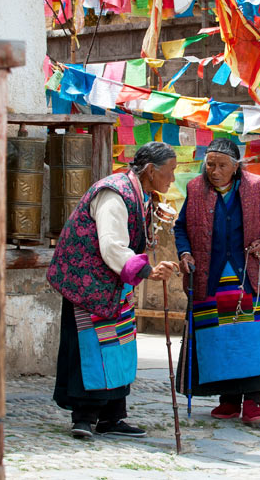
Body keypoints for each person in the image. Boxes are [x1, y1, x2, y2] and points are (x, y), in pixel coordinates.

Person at [47, 141, 179, 440]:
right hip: (87, 282)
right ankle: (83, 417)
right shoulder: (114, 193)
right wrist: (146, 270)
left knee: (118, 344)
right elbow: (111, 245)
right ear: (149, 170)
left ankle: (113, 416)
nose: (172, 179)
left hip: (112, 282)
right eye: (169, 172)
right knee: (91, 347)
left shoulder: (141, 193)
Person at [174, 138, 260, 424]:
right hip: (212, 276)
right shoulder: (195, 189)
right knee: (220, 338)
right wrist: (185, 253)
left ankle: (253, 403)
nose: (214, 170)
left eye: (222, 165)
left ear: (236, 167)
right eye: (210, 164)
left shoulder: (257, 188)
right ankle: (228, 400)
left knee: (252, 338)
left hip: (249, 275)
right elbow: (181, 228)